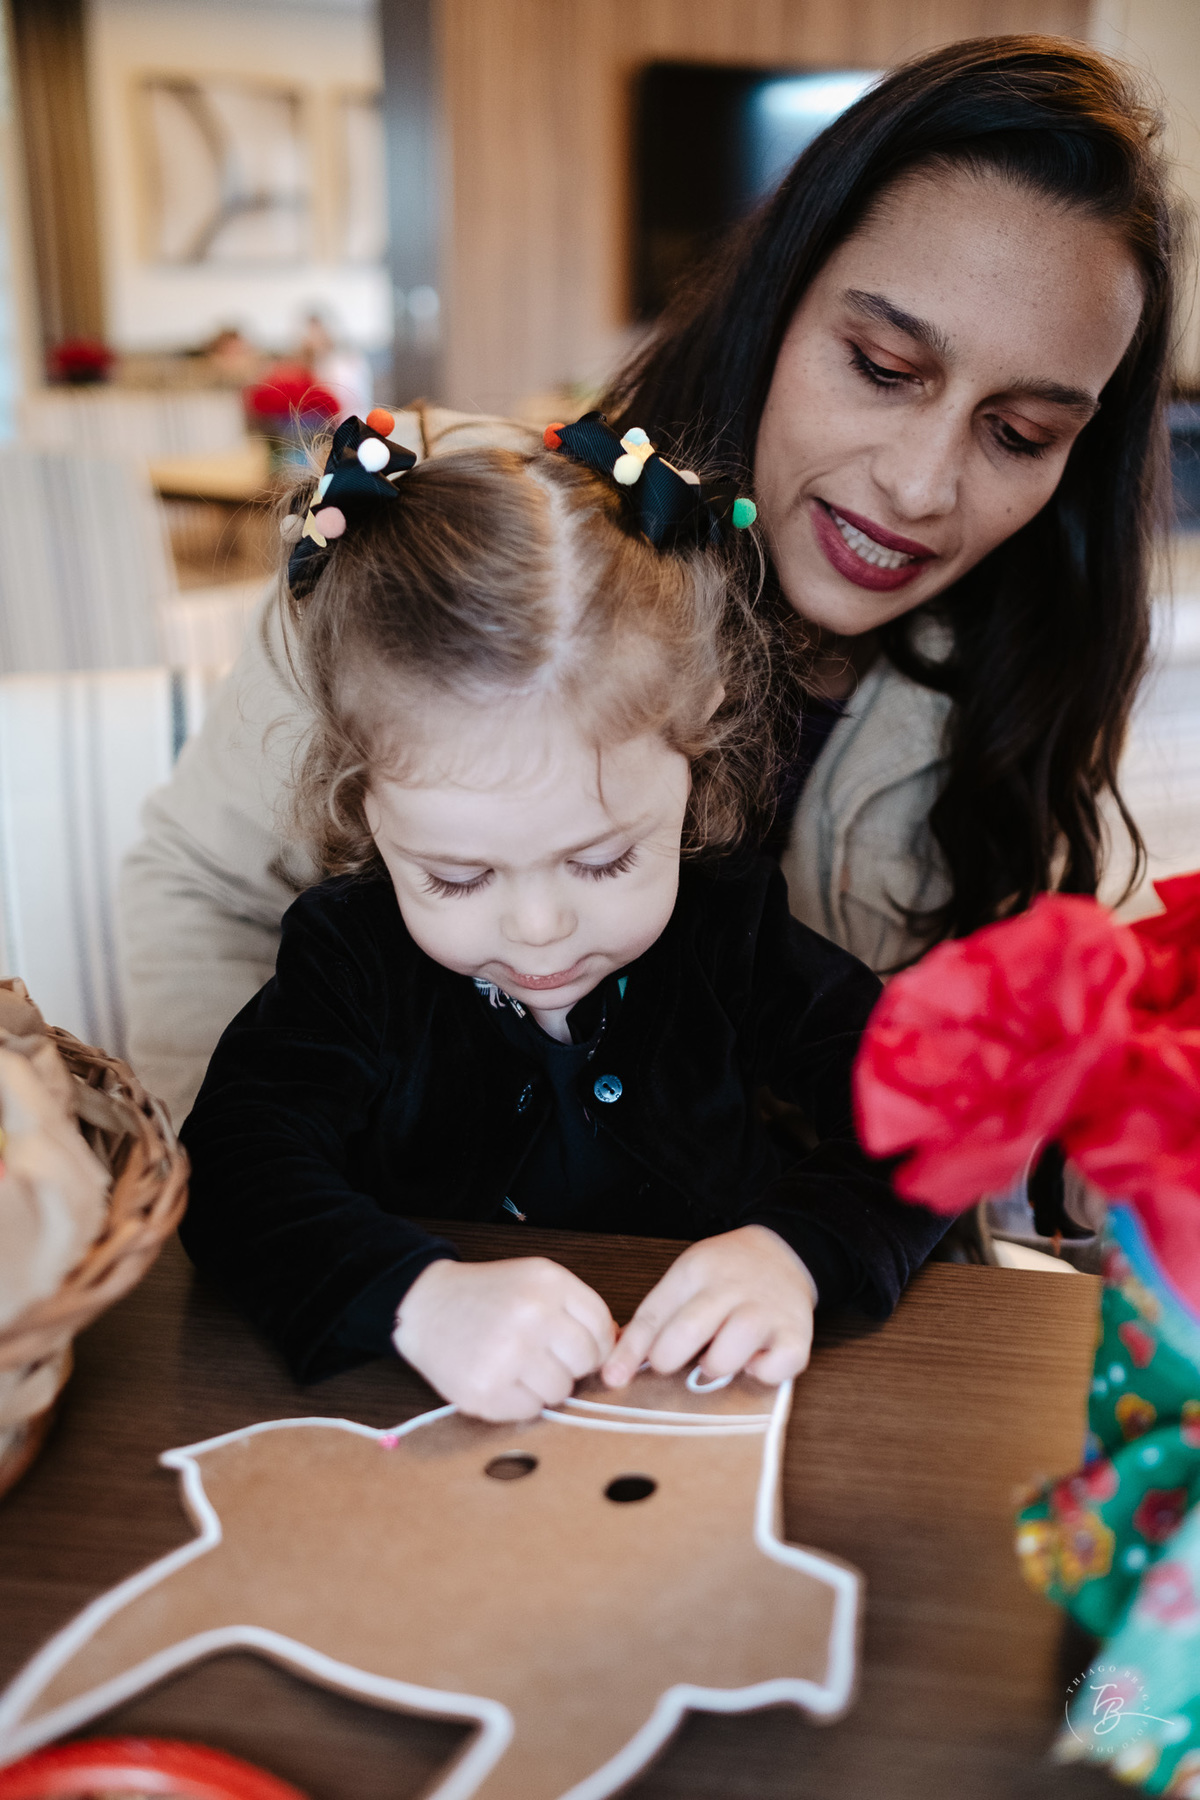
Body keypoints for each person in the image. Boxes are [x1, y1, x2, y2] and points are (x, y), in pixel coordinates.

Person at [120, 36, 1178, 1125]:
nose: (920, 486)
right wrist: (267, 1200)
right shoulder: (435, 545)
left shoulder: (1009, 690)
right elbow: (204, 892)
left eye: (1019, 433)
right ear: (776, 302)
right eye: (883, 369)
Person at [178, 416, 938, 1417]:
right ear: (365, 799)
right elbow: (233, 1165)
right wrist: (414, 1300)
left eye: (602, 860)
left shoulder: (728, 928)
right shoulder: (351, 958)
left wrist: (793, 1252)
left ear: (700, 734)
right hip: (424, 1415)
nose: (538, 928)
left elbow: (929, 1104)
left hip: (703, 1398)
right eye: (457, 878)